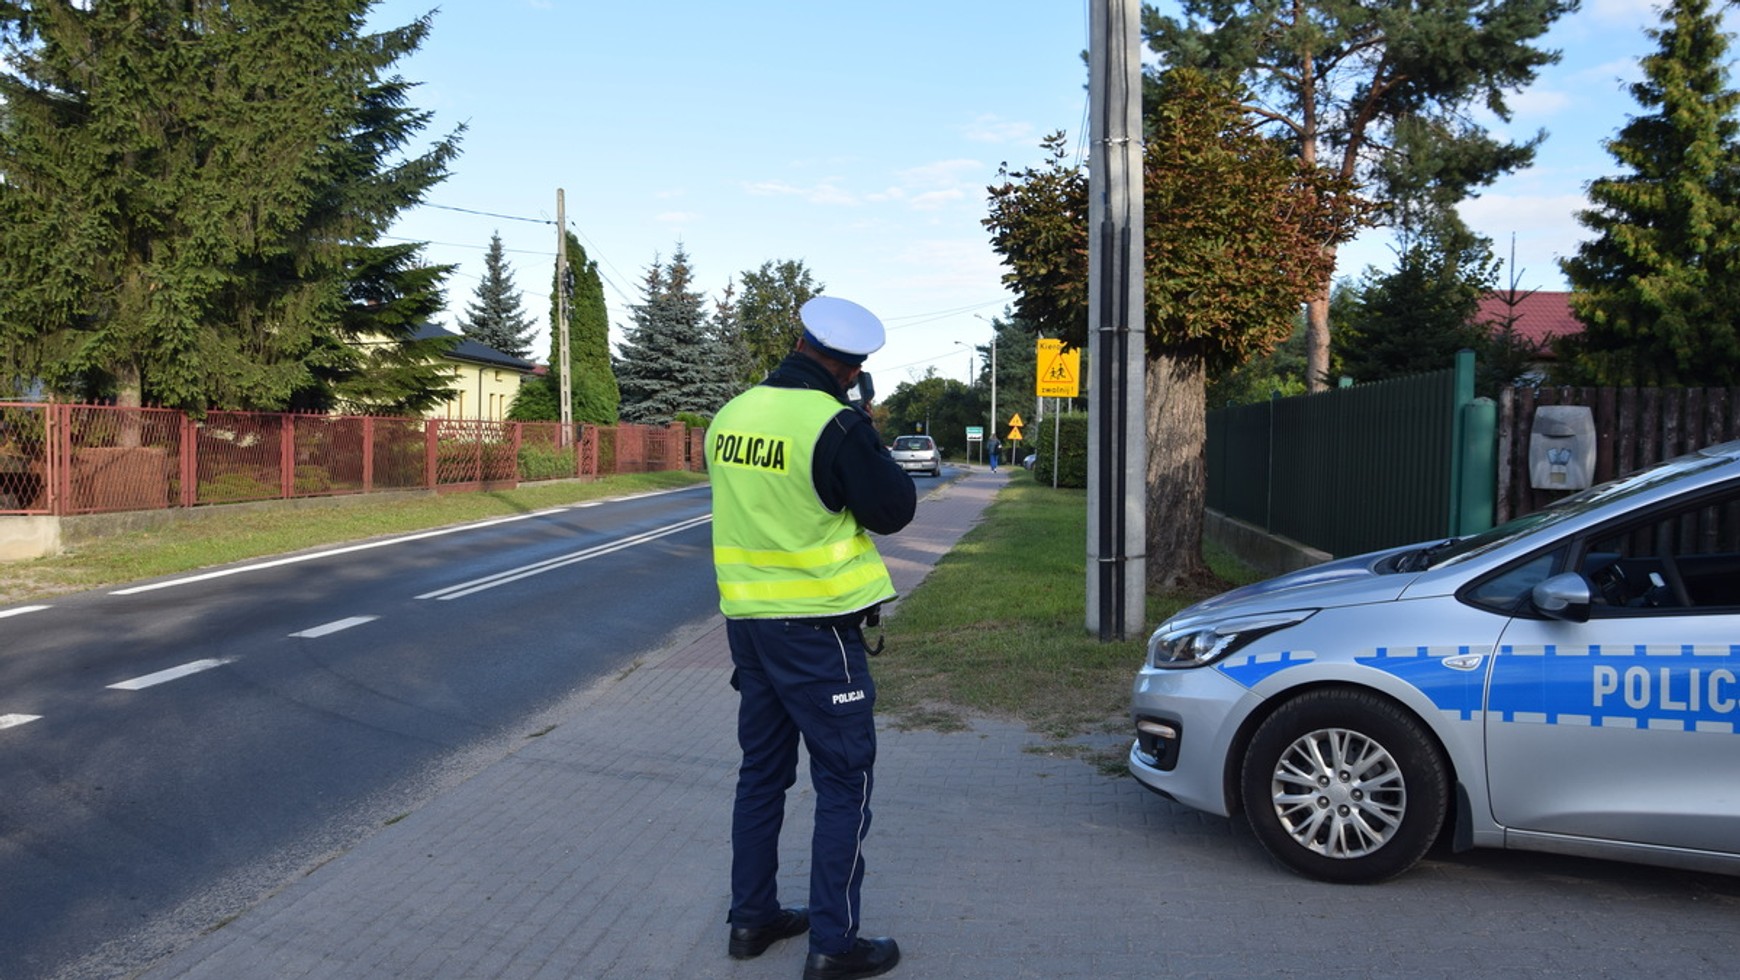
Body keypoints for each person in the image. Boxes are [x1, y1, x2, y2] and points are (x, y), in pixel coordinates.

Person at [709, 296, 915, 980]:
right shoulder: (837, 424)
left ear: (798, 343)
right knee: (844, 779)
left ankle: (751, 919)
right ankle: (834, 944)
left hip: (748, 628)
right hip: (817, 632)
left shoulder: (732, 415)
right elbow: (892, 510)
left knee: (761, 774)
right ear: (853, 369)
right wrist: (866, 432)